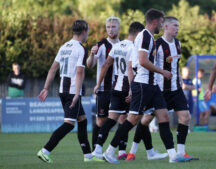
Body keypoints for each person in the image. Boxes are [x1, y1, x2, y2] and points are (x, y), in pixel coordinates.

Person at [102, 8, 192, 164]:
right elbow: (142, 61)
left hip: (152, 85)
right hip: (143, 84)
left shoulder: (147, 36)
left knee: (163, 116)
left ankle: (173, 155)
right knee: (132, 120)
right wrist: (162, 71)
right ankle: (109, 151)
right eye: (162, 22)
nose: (162, 25)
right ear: (155, 21)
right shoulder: (145, 36)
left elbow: (135, 61)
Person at [126, 16, 198, 161]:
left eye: (178, 26)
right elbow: (146, 63)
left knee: (185, 117)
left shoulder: (178, 43)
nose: (177, 28)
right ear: (165, 27)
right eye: (174, 26)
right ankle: (132, 152)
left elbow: (176, 65)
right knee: (145, 120)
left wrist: (180, 81)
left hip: (176, 89)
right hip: (159, 90)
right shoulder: (157, 44)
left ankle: (181, 152)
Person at [92, 21, 166, 161]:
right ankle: (142, 152)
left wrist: (98, 84)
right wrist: (132, 90)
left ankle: (98, 149)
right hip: (129, 90)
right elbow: (131, 69)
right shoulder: (134, 47)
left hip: (116, 88)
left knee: (112, 120)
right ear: (138, 33)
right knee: (137, 119)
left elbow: (106, 65)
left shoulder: (117, 46)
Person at [36, 20, 101, 163]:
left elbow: (53, 69)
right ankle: (45, 150)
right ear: (84, 31)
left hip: (62, 90)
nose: (88, 34)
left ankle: (88, 156)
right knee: (69, 124)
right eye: (88, 31)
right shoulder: (80, 49)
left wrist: (46, 88)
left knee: (82, 120)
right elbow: (79, 72)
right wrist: (77, 94)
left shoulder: (64, 46)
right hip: (72, 91)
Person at [87, 16, 121, 150]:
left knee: (122, 119)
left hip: (119, 89)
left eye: (113, 27)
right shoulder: (101, 45)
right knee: (101, 121)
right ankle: (95, 150)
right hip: (103, 89)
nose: (110, 30)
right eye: (108, 27)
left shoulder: (124, 45)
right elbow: (90, 65)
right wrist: (91, 54)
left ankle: (121, 151)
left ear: (119, 28)